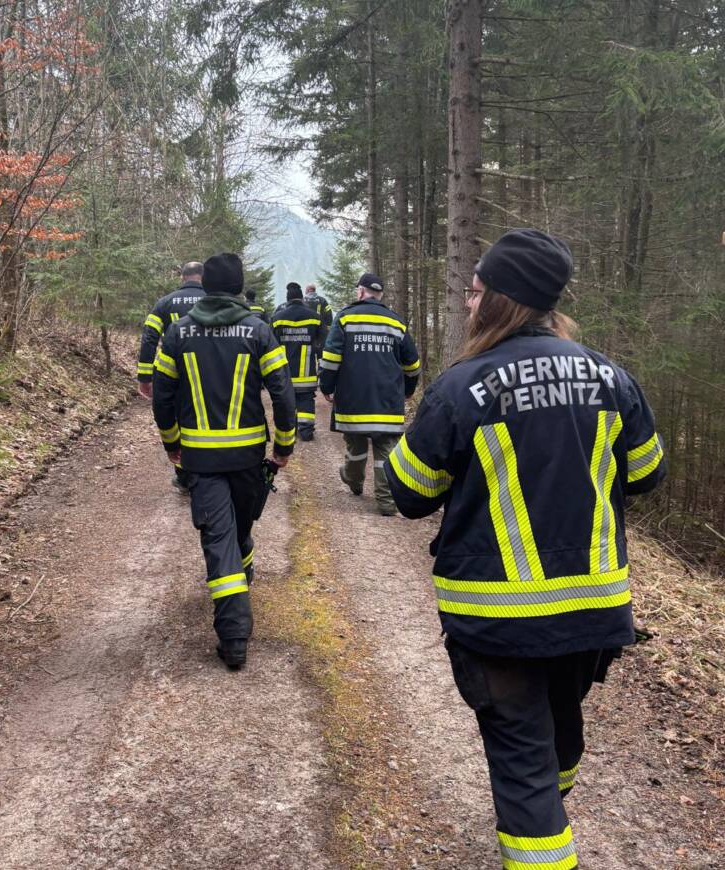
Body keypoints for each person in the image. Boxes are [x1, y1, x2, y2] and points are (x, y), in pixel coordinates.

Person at [384, 229, 666, 870]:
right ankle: (544, 814)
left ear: (501, 300)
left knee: (523, 764)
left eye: (475, 290)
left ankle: (539, 834)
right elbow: (648, 474)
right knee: (560, 726)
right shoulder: (612, 378)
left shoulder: (461, 388)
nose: (467, 302)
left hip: (498, 618)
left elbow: (408, 491)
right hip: (594, 608)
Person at [152, 252, 296, 669]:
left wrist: (171, 444)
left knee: (223, 539)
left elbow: (162, 395)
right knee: (236, 529)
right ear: (237, 287)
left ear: (204, 286)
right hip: (249, 458)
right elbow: (283, 393)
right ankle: (234, 634)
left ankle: (236, 597)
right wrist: (283, 447)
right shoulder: (258, 331)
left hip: (201, 459)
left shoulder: (177, 334)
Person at [319, 272, 420, 515]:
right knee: (385, 450)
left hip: (353, 399)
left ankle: (354, 481)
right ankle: (386, 502)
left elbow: (331, 358)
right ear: (380, 295)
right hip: (387, 400)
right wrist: (408, 390)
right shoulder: (396, 322)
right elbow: (413, 364)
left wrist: (326, 387)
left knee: (356, 444)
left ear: (361, 292)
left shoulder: (345, 318)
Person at [137, 261, 206, 489]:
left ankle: (184, 474)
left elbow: (149, 338)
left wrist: (145, 376)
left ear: (182, 278)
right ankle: (212, 469)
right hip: (210, 368)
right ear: (203, 277)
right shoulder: (212, 299)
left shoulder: (164, 303)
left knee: (179, 418)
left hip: (175, 372)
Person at [271, 283, 321, 441]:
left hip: (285, 374)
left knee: (286, 401)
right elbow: (322, 347)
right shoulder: (315, 318)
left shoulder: (277, 319)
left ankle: (289, 429)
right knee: (306, 400)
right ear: (301, 298)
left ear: (287, 299)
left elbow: (270, 347)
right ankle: (306, 431)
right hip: (307, 374)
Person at [303, 282, 333, 357]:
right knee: (321, 351)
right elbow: (329, 314)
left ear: (307, 290)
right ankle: (320, 365)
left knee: (308, 351)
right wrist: (328, 328)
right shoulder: (322, 300)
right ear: (314, 290)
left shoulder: (302, 301)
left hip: (306, 330)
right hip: (320, 330)